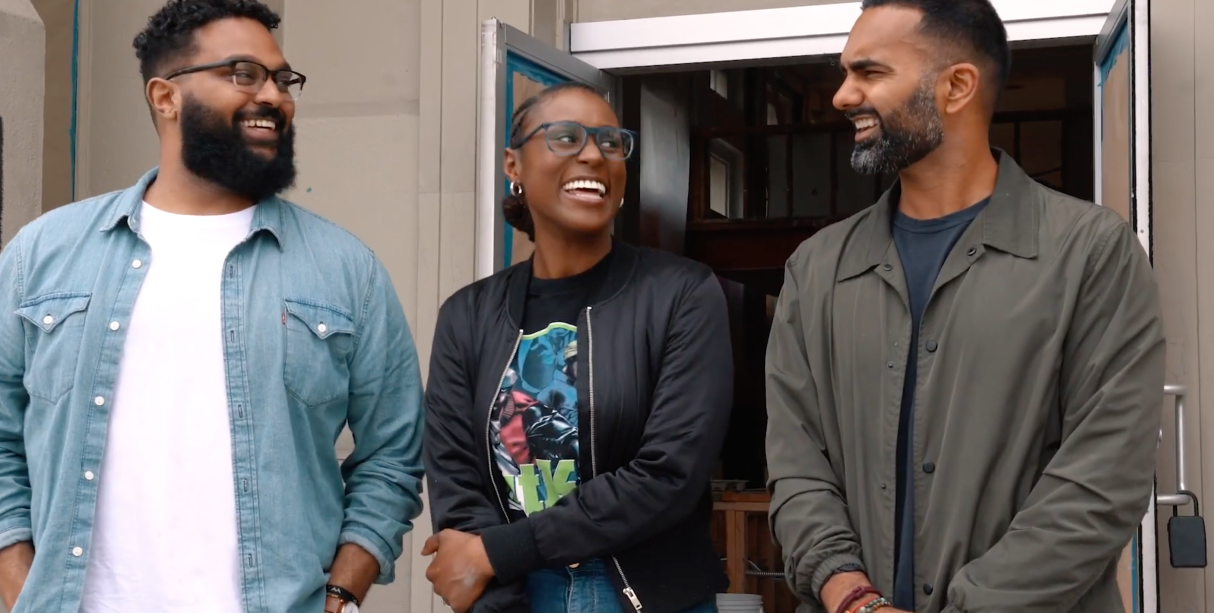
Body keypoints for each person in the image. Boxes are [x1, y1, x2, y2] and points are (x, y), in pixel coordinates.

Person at [0, 1, 425, 612]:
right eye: (244, 73)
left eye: (282, 79)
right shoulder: (47, 251)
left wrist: (342, 589)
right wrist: (16, 577)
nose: (275, 96)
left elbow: (394, 454)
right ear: (164, 96)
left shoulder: (344, 270)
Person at [764, 1, 1166, 612]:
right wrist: (852, 597)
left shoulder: (1088, 252)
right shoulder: (817, 268)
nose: (843, 96)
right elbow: (796, 463)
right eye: (845, 73)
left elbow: (1102, 480)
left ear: (956, 86)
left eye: (869, 73)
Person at [421, 82, 732, 613]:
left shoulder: (682, 293)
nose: (593, 153)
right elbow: (453, 473)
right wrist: (491, 583)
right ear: (513, 164)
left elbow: (668, 474)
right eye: (565, 137)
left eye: (611, 143)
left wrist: (497, 552)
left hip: (644, 596)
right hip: (515, 595)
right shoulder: (467, 315)